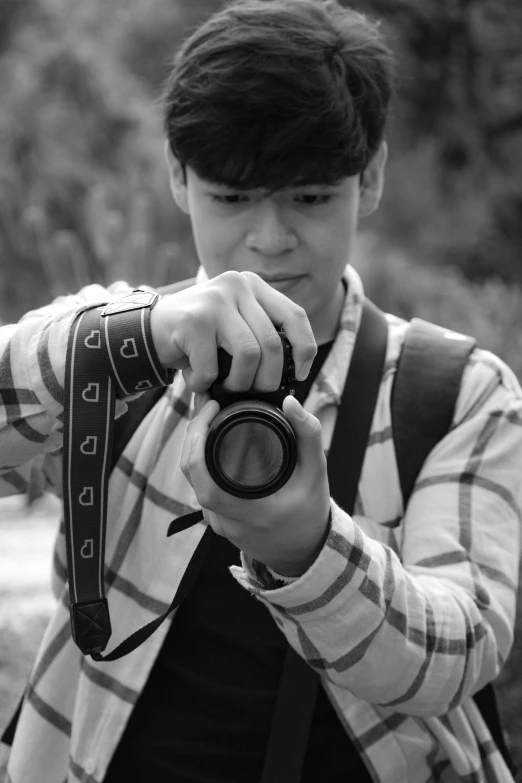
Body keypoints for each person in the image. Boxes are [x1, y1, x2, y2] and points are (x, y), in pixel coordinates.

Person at [1, 1, 521, 781]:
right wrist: (140, 336)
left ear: (370, 177)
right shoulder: (118, 346)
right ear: (178, 176)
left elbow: (461, 648)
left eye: (309, 198)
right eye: (232, 197)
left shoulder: (456, 392)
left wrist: (309, 550)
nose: (270, 238)